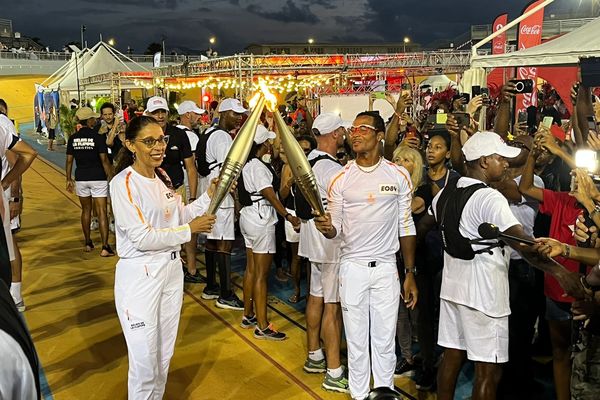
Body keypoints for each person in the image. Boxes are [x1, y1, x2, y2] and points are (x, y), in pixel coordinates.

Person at [430, 131, 579, 400]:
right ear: (485, 161)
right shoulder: (490, 198)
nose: (506, 164)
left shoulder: (444, 193)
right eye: (501, 158)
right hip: (485, 292)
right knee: (489, 371)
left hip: (452, 290)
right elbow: (524, 244)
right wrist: (561, 272)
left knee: (452, 356)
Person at [110, 116, 217, 399]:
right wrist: (188, 231)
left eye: (161, 139)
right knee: (145, 363)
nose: (158, 147)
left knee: (162, 357)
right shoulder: (123, 184)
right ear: (130, 144)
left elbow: (179, 215)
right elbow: (142, 238)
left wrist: (209, 196)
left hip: (170, 271)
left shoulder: (163, 177)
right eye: (149, 141)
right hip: (140, 277)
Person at [314, 111, 418, 400]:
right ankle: (359, 396)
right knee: (357, 342)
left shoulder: (398, 175)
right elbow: (334, 229)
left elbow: (406, 225)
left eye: (363, 128)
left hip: (386, 268)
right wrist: (327, 228)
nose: (355, 133)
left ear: (380, 135)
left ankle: (384, 393)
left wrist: (410, 274)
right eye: (352, 128)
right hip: (353, 268)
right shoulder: (340, 178)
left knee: (385, 341)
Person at [298, 113, 349, 393]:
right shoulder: (330, 169)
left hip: (311, 238)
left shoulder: (309, 160)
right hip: (328, 241)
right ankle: (333, 369)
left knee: (316, 295)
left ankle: (314, 354)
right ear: (335, 134)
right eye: (342, 131)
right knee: (333, 304)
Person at [239, 125, 300, 340]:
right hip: (261, 217)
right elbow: (270, 195)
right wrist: (289, 216)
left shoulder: (247, 163)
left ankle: (248, 314)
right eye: (268, 141)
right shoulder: (257, 166)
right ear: (262, 144)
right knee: (261, 275)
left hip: (248, 216)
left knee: (251, 269)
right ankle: (263, 325)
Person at [198, 98, 246, 310]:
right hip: (221, 196)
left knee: (212, 240)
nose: (239, 118)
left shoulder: (209, 132)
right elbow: (228, 170)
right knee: (225, 242)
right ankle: (226, 293)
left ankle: (211, 286)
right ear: (224, 114)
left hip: (210, 193)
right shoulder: (222, 137)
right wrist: (234, 200)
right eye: (235, 114)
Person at [65, 107, 114, 256]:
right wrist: (110, 176)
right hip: (98, 177)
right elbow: (104, 159)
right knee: (101, 212)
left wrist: (68, 179)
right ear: (89, 121)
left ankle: (88, 242)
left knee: (86, 210)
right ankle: (105, 247)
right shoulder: (97, 137)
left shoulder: (73, 138)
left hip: (81, 177)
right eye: (93, 118)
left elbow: (69, 161)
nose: (95, 119)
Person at [0, 99, 37, 287]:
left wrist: (14, 196)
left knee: (9, 244)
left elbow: (17, 161)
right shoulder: (4, 125)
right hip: (2, 196)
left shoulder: (3, 125)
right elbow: (27, 155)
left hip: (5, 197)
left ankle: (14, 292)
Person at [176, 101, 205, 284]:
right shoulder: (190, 137)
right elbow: (193, 165)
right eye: (196, 114)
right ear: (188, 115)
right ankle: (192, 268)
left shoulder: (173, 133)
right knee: (191, 228)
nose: (199, 117)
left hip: (177, 184)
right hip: (188, 184)